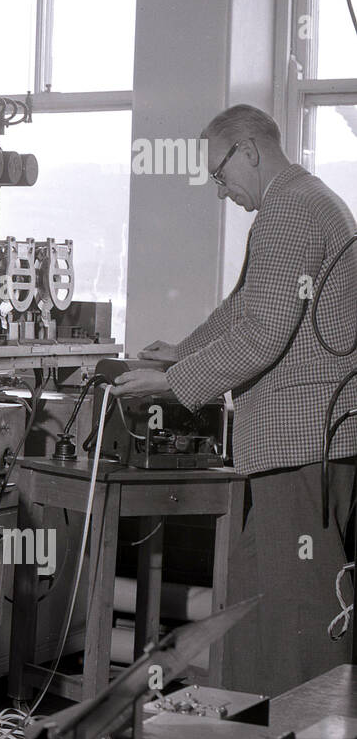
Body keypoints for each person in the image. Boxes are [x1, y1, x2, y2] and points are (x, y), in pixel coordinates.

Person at [114, 105, 357, 695]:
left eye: (220, 175)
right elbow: (243, 309)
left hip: (300, 446)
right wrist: (179, 354)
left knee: (298, 613)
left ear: (249, 149)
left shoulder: (289, 210)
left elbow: (264, 332)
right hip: (302, 447)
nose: (221, 191)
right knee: (259, 605)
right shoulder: (306, 200)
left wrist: (176, 385)